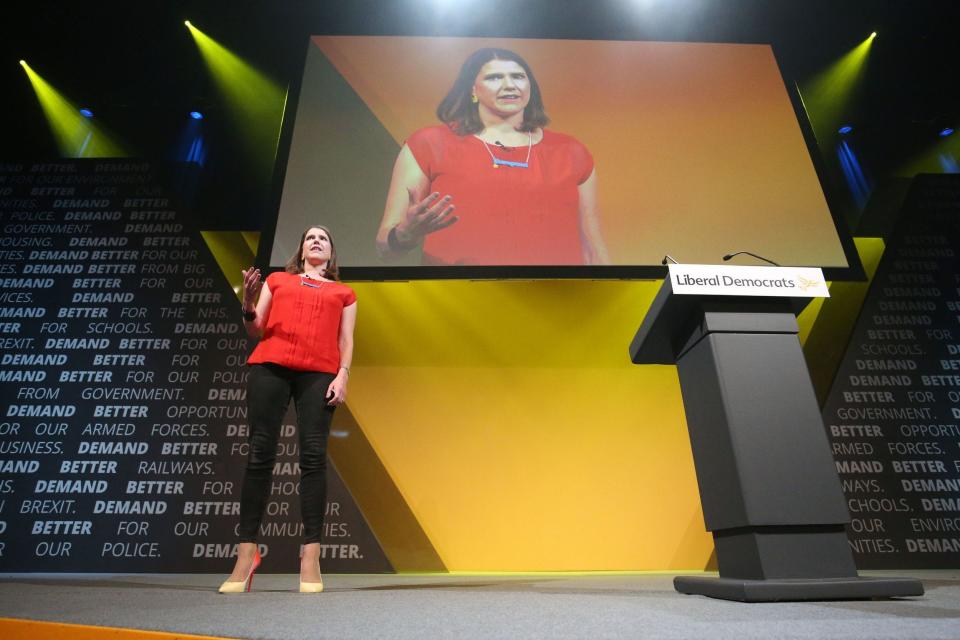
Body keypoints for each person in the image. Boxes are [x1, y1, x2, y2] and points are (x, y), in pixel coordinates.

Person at [376, 47, 610, 266]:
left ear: (530, 87)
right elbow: (384, 248)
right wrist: (406, 234)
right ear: (472, 89)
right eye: (494, 77)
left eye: (518, 77)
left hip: (557, 298)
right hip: (457, 299)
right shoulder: (429, 143)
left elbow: (593, 248)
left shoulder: (571, 151)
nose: (509, 85)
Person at [218, 225, 357, 594]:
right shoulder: (278, 281)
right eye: (310, 237)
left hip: (320, 373)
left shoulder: (344, 293)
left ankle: (310, 556)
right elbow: (255, 328)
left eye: (324, 238)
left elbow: (346, 340)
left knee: (312, 458)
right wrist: (248, 305)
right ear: (300, 249)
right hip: (270, 366)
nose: (316, 240)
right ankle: (246, 555)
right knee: (260, 454)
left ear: (331, 253)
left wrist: (342, 375)